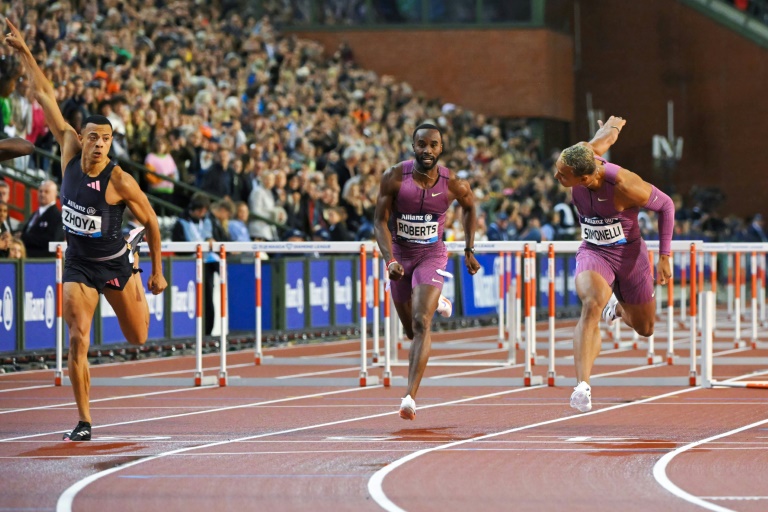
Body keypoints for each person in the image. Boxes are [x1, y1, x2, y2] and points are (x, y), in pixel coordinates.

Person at [6, 20, 168, 441]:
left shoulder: (120, 181)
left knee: (138, 336)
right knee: (78, 338)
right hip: (79, 262)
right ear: (82, 137)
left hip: (116, 262)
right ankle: (84, 421)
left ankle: (129, 262)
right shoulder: (69, 151)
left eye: (106, 140)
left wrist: (155, 271)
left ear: (112, 144)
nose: (98, 145)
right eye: (93, 137)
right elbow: (44, 93)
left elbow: (151, 220)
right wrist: (25, 51)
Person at [553, 115, 674, 413]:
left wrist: (664, 256)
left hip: (631, 257)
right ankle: (582, 385)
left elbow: (667, 205)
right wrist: (615, 125)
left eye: (562, 175)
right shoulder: (581, 153)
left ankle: (619, 308)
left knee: (645, 328)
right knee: (591, 304)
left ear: (584, 178)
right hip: (595, 252)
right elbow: (603, 138)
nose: (556, 177)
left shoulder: (623, 184)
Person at [374, 123, 480, 420]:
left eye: (433, 144)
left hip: (431, 255)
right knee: (410, 330)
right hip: (401, 256)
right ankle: (440, 302)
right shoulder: (394, 177)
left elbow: (470, 207)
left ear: (441, 148)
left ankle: (409, 396)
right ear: (413, 146)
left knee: (422, 321)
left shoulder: (453, 182)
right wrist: (389, 260)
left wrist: (469, 249)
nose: (427, 150)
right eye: (422, 144)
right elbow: (379, 221)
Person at [19, 180, 64, 257]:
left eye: (46, 192)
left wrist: (23, 236)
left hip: (42, 262)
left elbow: (51, 241)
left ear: (55, 194)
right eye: (40, 191)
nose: (42, 194)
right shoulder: (35, 213)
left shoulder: (58, 217)